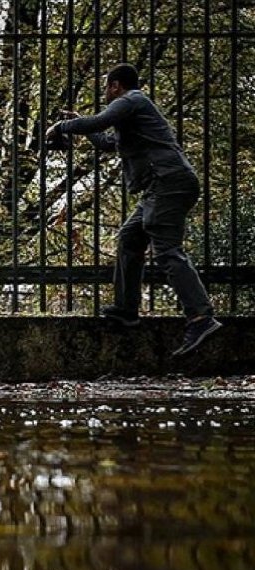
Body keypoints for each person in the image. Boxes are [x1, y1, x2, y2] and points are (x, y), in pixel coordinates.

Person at [46, 63, 222, 357]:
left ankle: (201, 318)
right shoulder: (131, 117)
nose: (105, 93)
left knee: (167, 250)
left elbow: (99, 122)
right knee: (130, 238)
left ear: (115, 86)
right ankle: (127, 309)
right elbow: (106, 142)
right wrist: (79, 123)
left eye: (106, 87)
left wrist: (61, 127)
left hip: (168, 182)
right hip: (160, 185)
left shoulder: (132, 100)